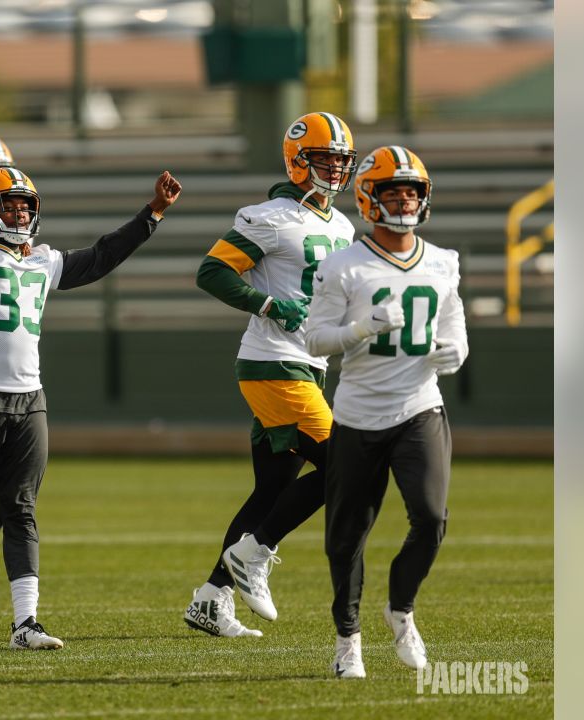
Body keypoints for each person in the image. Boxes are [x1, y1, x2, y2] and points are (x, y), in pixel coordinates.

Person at [0, 109, 182, 650]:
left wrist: (151, 214)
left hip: (28, 401)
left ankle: (25, 622)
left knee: (22, 510)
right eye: (8, 205)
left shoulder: (41, 260)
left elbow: (100, 258)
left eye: (24, 206)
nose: (17, 213)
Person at [183, 112, 357, 639]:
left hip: (310, 364)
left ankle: (211, 598)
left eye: (341, 161)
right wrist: (268, 304)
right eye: (325, 159)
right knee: (347, 467)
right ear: (298, 161)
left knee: (271, 490)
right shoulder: (271, 216)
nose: (334, 170)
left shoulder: (343, 225)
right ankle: (255, 552)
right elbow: (211, 271)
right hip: (273, 363)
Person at [303, 145, 467, 679]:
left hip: (420, 408)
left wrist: (456, 353)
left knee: (432, 518)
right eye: (394, 191)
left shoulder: (444, 261)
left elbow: (455, 333)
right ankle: (348, 639)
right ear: (368, 198)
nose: (404, 199)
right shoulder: (342, 265)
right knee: (347, 535)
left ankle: (401, 611)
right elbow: (314, 340)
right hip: (357, 415)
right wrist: (362, 327)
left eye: (412, 191)